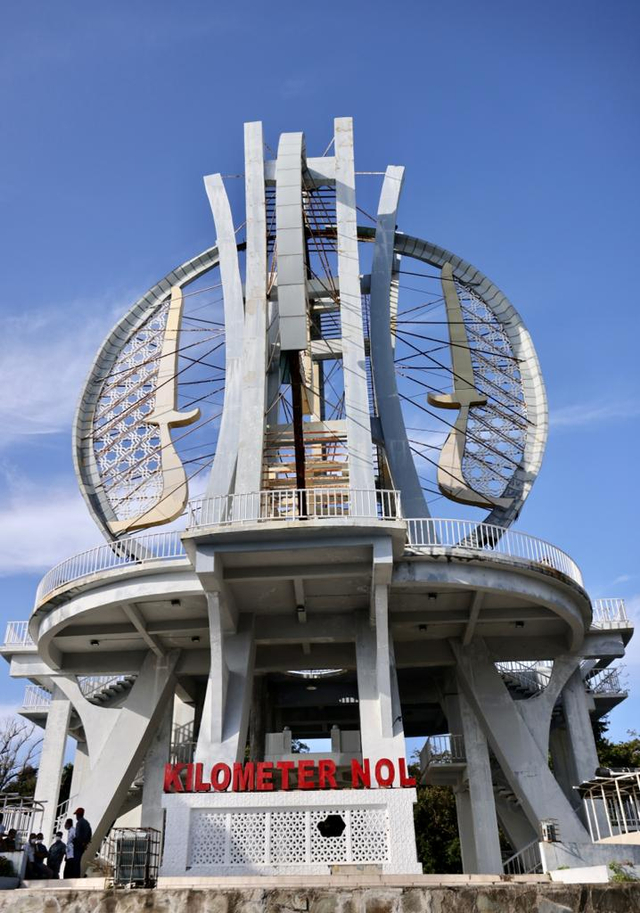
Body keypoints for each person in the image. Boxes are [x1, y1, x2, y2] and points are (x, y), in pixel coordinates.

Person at [72, 807, 92, 874]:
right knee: (77, 861)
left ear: (78, 815)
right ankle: (76, 875)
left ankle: (75, 876)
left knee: (76, 862)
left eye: (76, 815)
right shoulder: (86, 823)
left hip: (78, 845)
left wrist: (81, 842)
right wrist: (86, 843)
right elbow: (89, 834)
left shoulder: (79, 823)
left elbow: (78, 836)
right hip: (82, 845)